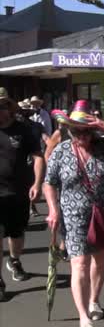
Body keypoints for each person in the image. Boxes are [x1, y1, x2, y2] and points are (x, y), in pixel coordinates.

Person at [43, 100, 104, 327]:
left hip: (103, 213)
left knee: (100, 260)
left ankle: (95, 300)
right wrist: (53, 210)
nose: (82, 136)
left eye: (86, 131)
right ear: (69, 130)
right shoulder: (62, 151)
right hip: (73, 216)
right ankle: (84, 317)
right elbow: (49, 182)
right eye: (76, 131)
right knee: (79, 264)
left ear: (93, 130)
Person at [0, 88, 44, 301]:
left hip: (18, 192)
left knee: (16, 234)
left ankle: (15, 260)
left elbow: (38, 157)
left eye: (2, 105)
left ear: (8, 108)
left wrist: (37, 183)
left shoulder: (23, 130)